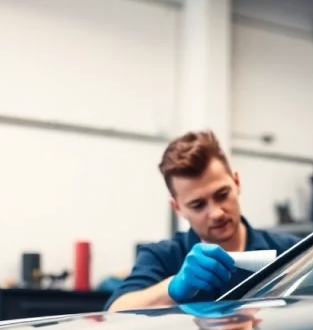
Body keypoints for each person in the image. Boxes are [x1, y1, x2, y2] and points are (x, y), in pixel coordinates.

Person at [104, 130, 300, 311]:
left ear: (237, 183)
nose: (216, 213)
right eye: (198, 205)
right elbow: (115, 310)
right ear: (178, 208)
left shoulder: (292, 252)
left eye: (222, 195)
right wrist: (174, 287)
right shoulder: (162, 256)